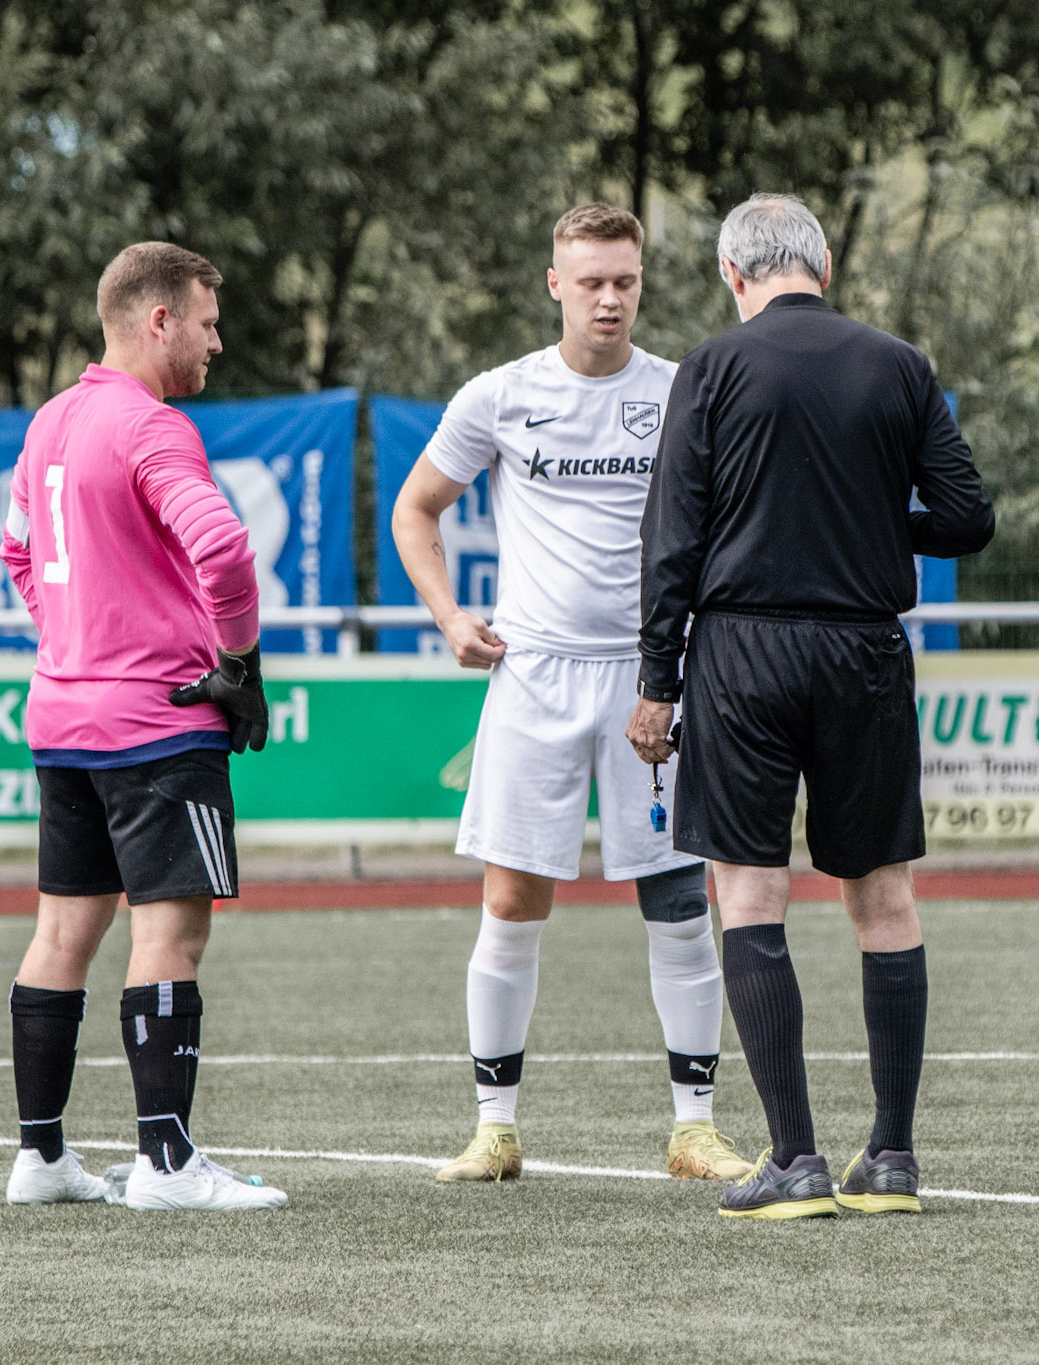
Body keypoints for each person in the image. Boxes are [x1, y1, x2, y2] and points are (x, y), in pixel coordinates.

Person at [627, 194, 994, 1219]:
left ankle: (793, 1158)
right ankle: (892, 1157)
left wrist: (657, 683)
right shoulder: (899, 364)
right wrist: (870, 516)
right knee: (883, 897)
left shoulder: (710, 367)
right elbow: (967, 518)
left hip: (743, 653)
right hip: (863, 650)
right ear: (823, 266)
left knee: (748, 893)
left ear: (731, 274)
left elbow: (671, 540)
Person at [391, 203, 752, 1184]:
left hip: (650, 678)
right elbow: (416, 509)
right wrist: (448, 617)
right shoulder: (500, 395)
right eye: (589, 281)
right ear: (554, 283)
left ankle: (693, 1129)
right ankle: (494, 1128)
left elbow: (722, 530)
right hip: (535, 674)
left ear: (641, 283)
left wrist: (690, 658)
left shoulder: (681, 391)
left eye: (624, 281)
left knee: (679, 901)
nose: (608, 299)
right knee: (511, 899)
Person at [0, 241, 284, 1213]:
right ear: (158, 320)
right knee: (172, 931)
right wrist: (238, 664)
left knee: (61, 932)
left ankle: (41, 1159)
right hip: (158, 722)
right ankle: (166, 1164)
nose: (215, 342)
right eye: (206, 322)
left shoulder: (51, 421)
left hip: (61, 714)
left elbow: (16, 551)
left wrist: (72, 637)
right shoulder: (152, 426)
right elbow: (224, 548)